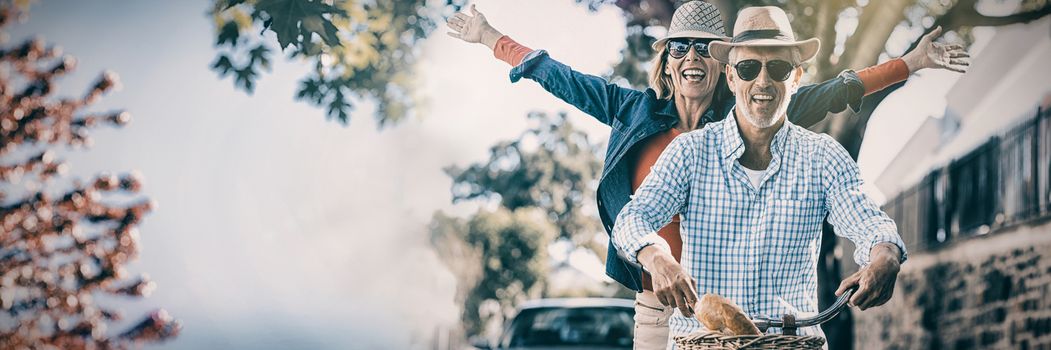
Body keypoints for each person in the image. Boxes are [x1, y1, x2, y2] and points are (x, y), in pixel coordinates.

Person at [446, 2, 967, 348]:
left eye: (703, 48)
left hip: (768, 318)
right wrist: (492, 36)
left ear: (721, 67)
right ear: (668, 63)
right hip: (664, 306)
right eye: (680, 47)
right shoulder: (635, 114)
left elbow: (837, 90)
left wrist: (910, 63)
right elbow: (559, 77)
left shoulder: (755, 107)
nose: (691, 55)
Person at [612, 6, 912, 346]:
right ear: (730, 77)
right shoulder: (690, 152)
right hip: (701, 344)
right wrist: (656, 256)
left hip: (793, 344)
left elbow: (868, 220)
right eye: (748, 67)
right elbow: (632, 218)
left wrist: (885, 253)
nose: (763, 81)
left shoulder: (822, 156)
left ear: (796, 77)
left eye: (779, 68)